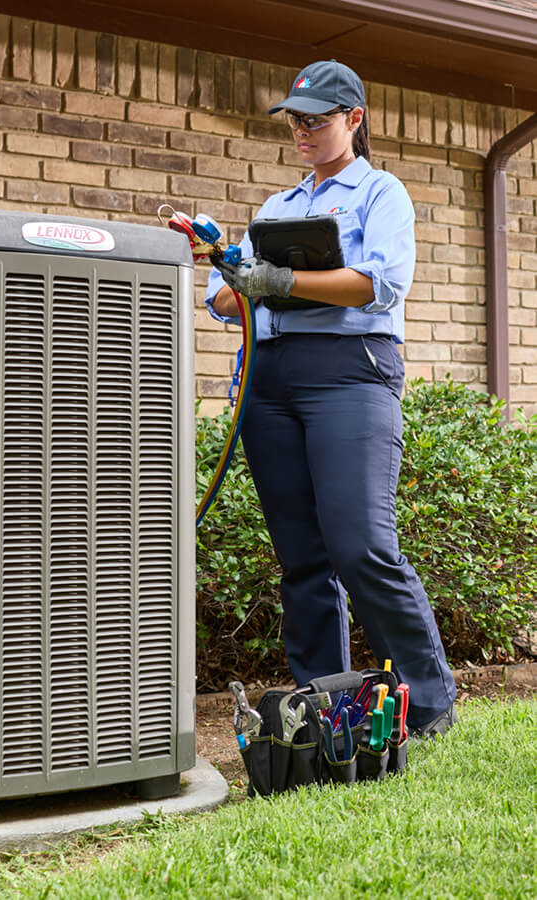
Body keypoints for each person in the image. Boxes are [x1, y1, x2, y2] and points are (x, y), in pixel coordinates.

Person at [206, 59, 457, 738]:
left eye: (317, 120)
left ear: (354, 118)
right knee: (302, 558)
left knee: (361, 545)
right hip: (269, 382)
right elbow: (226, 299)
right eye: (295, 120)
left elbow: (381, 283)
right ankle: (323, 708)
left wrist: (282, 281)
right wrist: (235, 274)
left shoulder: (381, 193)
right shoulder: (277, 207)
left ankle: (429, 702)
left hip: (350, 372)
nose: (303, 131)